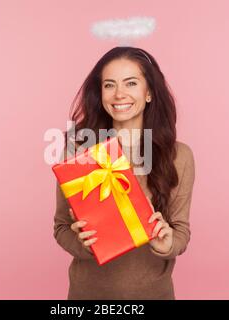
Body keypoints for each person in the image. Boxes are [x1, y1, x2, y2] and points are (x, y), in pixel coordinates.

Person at [53, 46, 195, 300]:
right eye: (109, 85)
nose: (119, 94)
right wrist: (83, 245)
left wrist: (168, 244)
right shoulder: (80, 151)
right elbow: (62, 226)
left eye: (131, 83)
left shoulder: (179, 156)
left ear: (149, 92)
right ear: (100, 93)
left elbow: (181, 232)